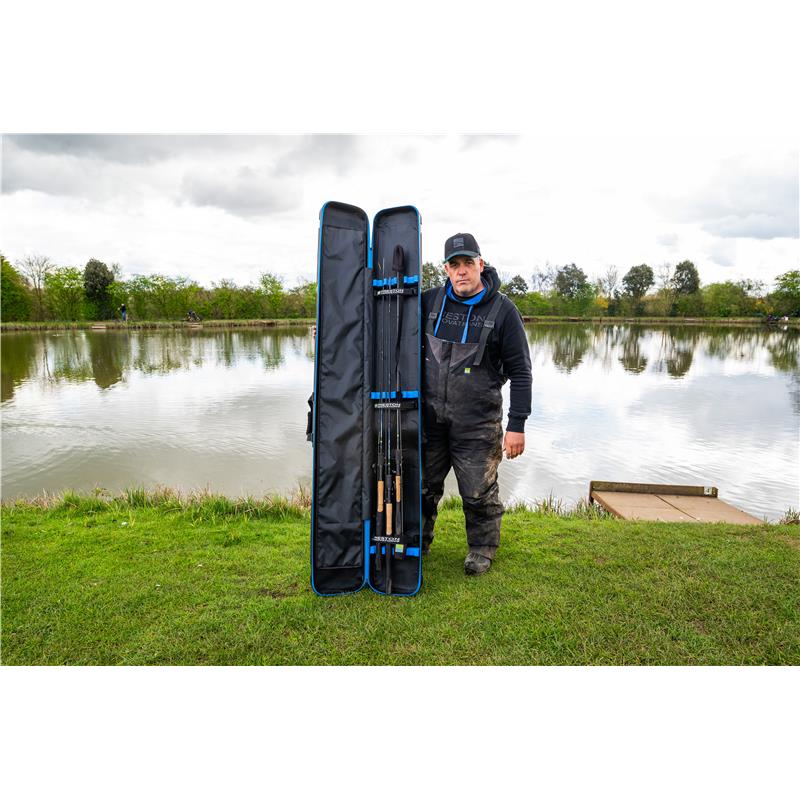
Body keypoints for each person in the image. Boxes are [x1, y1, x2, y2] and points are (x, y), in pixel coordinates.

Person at [421, 233, 532, 576]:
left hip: (478, 423)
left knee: (477, 491)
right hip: (428, 419)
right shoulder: (428, 302)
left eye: (468, 263)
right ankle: (416, 541)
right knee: (422, 485)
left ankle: (482, 548)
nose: (462, 271)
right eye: (454, 265)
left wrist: (517, 425)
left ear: (481, 264)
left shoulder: (504, 311)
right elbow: (383, 319)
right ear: (446, 269)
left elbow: (521, 372)